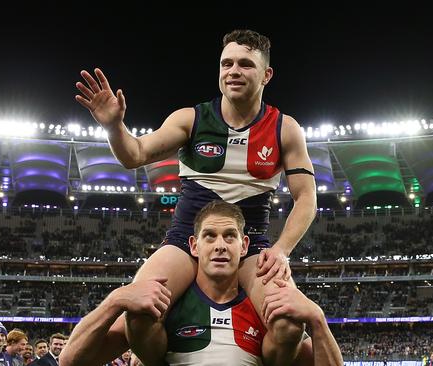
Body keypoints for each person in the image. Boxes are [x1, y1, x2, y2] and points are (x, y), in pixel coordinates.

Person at [74, 28, 316, 364]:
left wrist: (282, 250)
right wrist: (114, 127)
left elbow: (306, 198)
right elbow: (135, 155)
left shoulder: (284, 128)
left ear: (266, 74)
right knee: (139, 311)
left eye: (245, 64)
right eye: (226, 63)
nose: (233, 71)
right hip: (185, 240)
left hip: (252, 245)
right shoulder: (191, 119)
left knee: (289, 323)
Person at [62, 200, 342, 366]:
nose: (220, 245)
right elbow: (70, 360)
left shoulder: (264, 307)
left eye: (229, 236)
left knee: (289, 326)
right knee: (139, 317)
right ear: (194, 246)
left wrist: (317, 319)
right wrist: (115, 299)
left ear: (244, 246)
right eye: (210, 236)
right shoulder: (167, 301)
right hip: (158, 341)